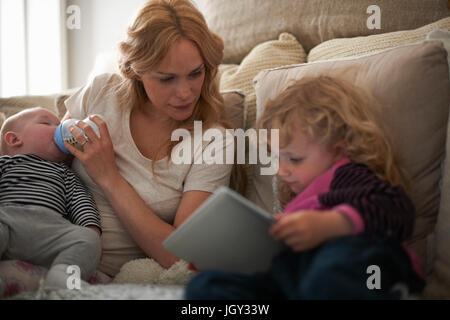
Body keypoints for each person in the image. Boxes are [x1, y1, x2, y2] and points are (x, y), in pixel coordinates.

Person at [185, 75, 426, 299]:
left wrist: (330, 224)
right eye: (277, 158)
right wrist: (228, 259)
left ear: (338, 151)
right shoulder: (299, 200)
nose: (282, 170)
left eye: (295, 159)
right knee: (207, 284)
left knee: (331, 272)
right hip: (299, 274)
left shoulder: (347, 173)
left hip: (362, 261)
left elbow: (396, 207)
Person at [61, 0, 234, 277]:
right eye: (167, 79)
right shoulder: (101, 92)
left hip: (116, 278)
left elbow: (182, 254)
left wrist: (110, 177)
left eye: (195, 74)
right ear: (136, 70)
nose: (186, 93)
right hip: (46, 248)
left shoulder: (214, 141)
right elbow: (43, 158)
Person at [0, 107, 101, 289]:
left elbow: (80, 200)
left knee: (88, 239)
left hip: (51, 230)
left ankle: (64, 276)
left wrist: (90, 227)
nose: (60, 128)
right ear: (14, 139)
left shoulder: (65, 173)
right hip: (7, 220)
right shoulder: (5, 164)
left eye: (59, 124)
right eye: (47, 123)